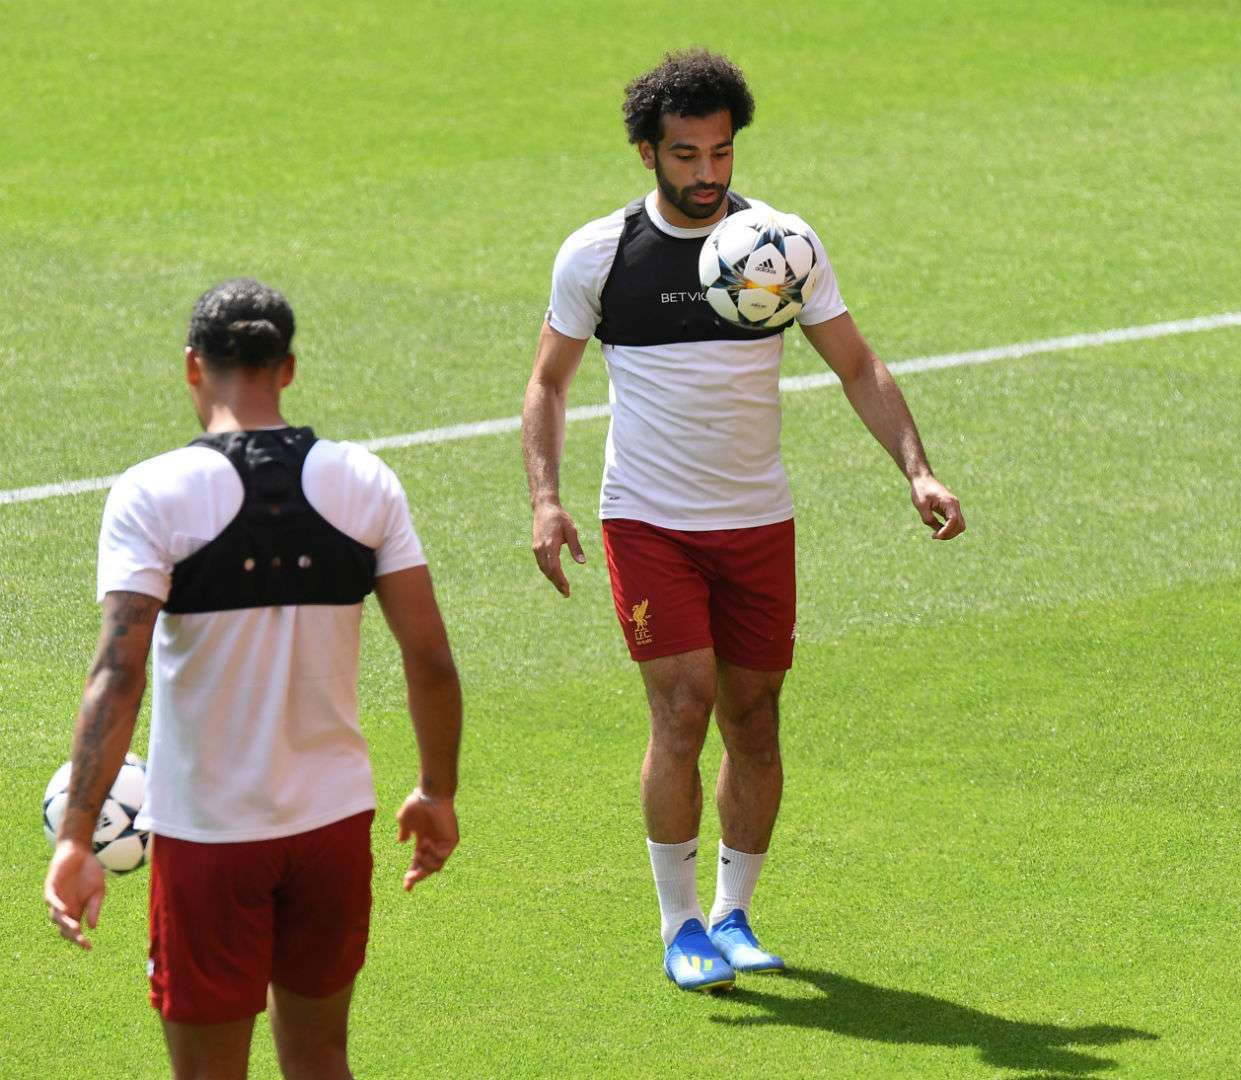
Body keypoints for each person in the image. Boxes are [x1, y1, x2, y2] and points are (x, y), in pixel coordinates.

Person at [521, 48, 965, 993]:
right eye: (685, 156)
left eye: (720, 153)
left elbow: (857, 365)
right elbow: (549, 383)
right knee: (683, 708)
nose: (707, 175)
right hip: (648, 521)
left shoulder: (781, 249)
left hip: (758, 522)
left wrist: (918, 472)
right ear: (646, 151)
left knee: (754, 718)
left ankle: (734, 913)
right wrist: (546, 498)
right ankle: (679, 925)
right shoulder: (600, 256)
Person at [42, 279, 463, 1080]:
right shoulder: (365, 482)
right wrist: (437, 791)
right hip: (334, 824)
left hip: (211, 837)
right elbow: (431, 659)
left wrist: (75, 837)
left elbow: (117, 671)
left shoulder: (153, 492)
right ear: (289, 368)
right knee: (321, 1060)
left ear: (193, 367)